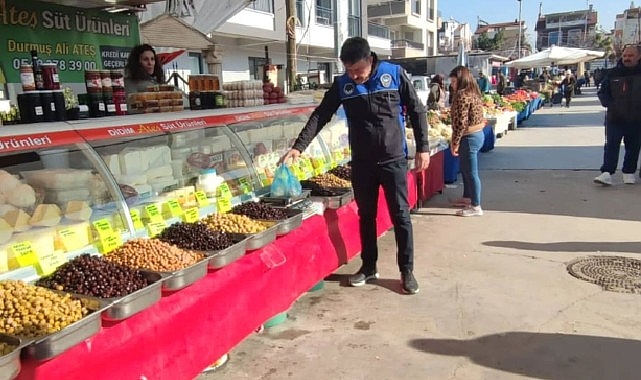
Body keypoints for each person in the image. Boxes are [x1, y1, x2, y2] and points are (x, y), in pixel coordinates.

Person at [279, 37, 430, 294]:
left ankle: (407, 270)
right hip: (362, 163)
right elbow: (321, 114)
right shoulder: (343, 84)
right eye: (349, 71)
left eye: (358, 70)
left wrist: (423, 147)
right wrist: (299, 146)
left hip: (393, 160)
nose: (354, 76)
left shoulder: (393, 74)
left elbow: (417, 110)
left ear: (370, 60)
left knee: (401, 216)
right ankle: (369, 267)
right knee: (366, 216)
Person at [594, 44, 641, 186]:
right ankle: (607, 172)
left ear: (639, 57)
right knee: (611, 146)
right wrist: (610, 104)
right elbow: (603, 92)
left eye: (631, 56)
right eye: (625, 55)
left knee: (633, 146)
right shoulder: (612, 73)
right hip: (615, 118)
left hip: (637, 119)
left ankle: (628, 172)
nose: (627, 58)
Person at [449, 66, 485, 217]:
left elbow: (460, 122)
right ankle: (468, 197)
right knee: (466, 169)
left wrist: (455, 142)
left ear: (461, 80)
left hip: (469, 137)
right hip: (476, 134)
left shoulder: (462, 95)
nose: (452, 84)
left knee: (471, 172)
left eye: (454, 81)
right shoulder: (474, 93)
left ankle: (476, 206)